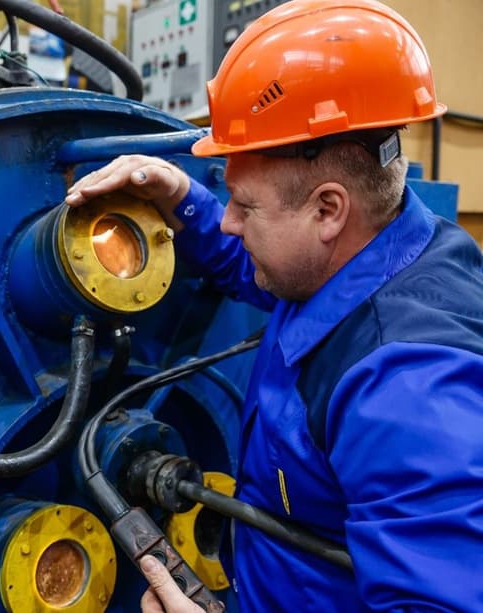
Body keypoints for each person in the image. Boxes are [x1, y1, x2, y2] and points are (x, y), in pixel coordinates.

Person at [65, 0, 483, 610]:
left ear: (327, 209)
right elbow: (266, 271)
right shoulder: (383, 247)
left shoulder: (408, 391)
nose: (229, 222)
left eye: (244, 205)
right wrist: (183, 198)